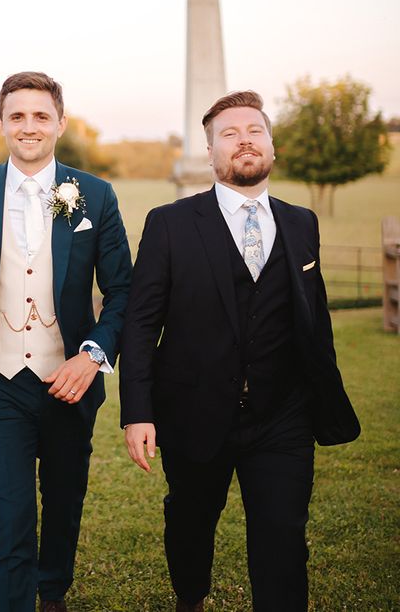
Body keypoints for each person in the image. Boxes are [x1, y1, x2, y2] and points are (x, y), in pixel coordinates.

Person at [119, 90, 361, 612]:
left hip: (282, 415)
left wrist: (323, 398)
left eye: (255, 130)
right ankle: (190, 597)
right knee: (190, 523)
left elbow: (313, 319)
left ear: (272, 147)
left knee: (282, 535)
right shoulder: (170, 223)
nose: (244, 140)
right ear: (210, 154)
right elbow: (140, 325)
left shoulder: (302, 224)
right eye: (228, 134)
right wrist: (137, 412)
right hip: (194, 409)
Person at [0, 72, 132, 612]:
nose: (29, 126)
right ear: (1, 124)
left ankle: (53, 592)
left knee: (62, 506)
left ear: (61, 123)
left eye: (41, 115)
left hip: (68, 381)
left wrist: (92, 356)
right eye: (16, 115)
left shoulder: (96, 195)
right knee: (10, 519)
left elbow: (123, 293)